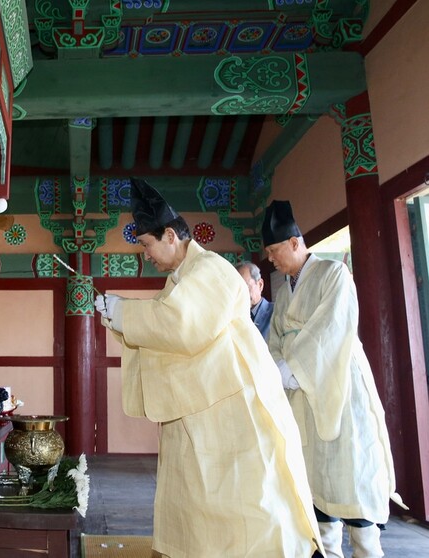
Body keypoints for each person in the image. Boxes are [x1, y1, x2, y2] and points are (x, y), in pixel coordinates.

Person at [94, 178, 322, 557]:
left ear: (170, 236)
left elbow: (181, 325)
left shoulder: (211, 268)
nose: (145, 255)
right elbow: (164, 332)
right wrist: (119, 319)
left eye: (147, 245)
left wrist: (124, 311)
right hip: (202, 411)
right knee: (199, 510)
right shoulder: (177, 281)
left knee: (251, 509)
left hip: (237, 409)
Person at [263, 200, 405, 558]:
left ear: (295, 243)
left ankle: (366, 550)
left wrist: (292, 367)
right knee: (314, 481)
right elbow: (275, 339)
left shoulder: (334, 275)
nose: (271, 260)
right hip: (300, 395)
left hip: (340, 386)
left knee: (350, 472)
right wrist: (281, 367)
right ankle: (326, 549)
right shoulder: (282, 292)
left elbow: (333, 329)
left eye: (275, 251)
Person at [235, 260, 273, 339]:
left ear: (260, 285)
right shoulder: (233, 315)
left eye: (246, 286)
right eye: (237, 288)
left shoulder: (276, 312)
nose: (242, 293)